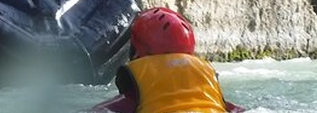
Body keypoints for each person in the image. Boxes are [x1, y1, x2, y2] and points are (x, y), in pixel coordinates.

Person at [92, 7, 244, 113]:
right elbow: (230, 108)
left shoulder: (142, 73)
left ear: (137, 48)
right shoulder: (204, 71)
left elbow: (120, 107)